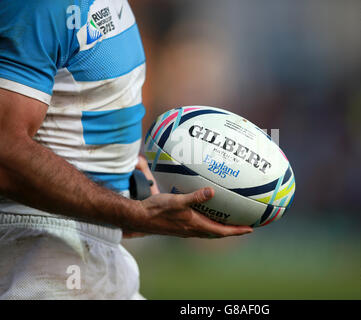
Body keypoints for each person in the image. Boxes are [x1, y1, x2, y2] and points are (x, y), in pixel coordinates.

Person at [0, 0, 252, 299]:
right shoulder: (41, 6)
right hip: (40, 262)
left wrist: (119, 172)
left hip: (82, 251)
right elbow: (5, 151)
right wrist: (129, 212)